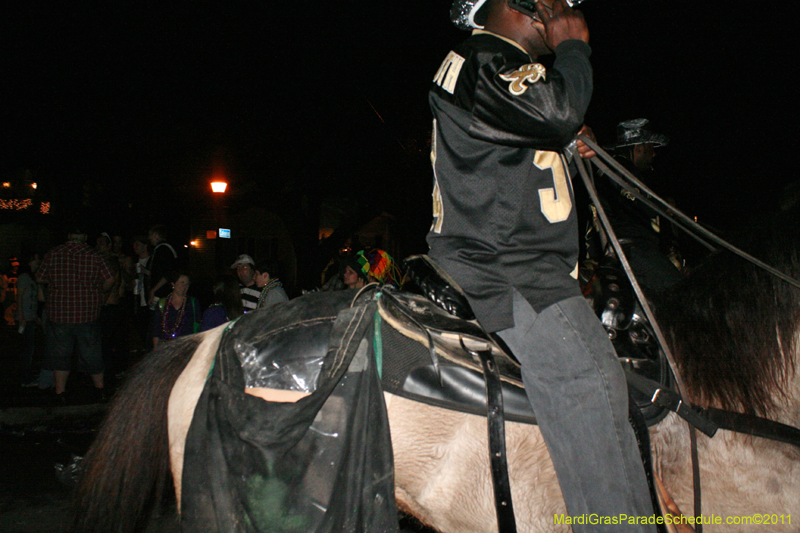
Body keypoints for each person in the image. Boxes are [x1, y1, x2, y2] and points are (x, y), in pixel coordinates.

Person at [428, 1, 655, 529]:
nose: (567, 10)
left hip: (511, 260)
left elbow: (534, 128)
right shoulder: (482, 56)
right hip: (508, 267)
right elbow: (555, 110)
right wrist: (575, 46)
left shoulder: (491, 64)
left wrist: (566, 144)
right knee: (588, 378)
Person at [589, 118, 683, 294]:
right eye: (651, 148)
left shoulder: (615, 168)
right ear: (639, 147)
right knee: (679, 292)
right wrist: (664, 205)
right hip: (632, 250)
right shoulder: (618, 169)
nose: (654, 154)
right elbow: (642, 203)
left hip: (629, 249)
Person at [36, 226, 115, 402]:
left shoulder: (53, 254)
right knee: (92, 353)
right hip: (88, 313)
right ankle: (100, 391)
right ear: (85, 237)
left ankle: (60, 393)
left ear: (69, 235)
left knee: (61, 355)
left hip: (60, 314)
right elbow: (110, 278)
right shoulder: (95, 256)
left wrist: (56, 282)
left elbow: (40, 277)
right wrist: (100, 292)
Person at [149, 271, 200, 349]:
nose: (184, 286)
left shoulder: (192, 303)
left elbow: (197, 327)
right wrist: (156, 350)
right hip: (166, 348)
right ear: (173, 284)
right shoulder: (162, 303)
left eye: (187, 284)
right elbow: (156, 329)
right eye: (182, 282)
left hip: (186, 348)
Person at [15, 253, 41, 386]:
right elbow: (19, 296)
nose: (38, 261)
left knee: (29, 348)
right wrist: (21, 315)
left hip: (30, 317)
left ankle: (26, 374)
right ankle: (24, 378)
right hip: (25, 317)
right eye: (35, 259)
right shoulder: (24, 278)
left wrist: (35, 316)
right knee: (26, 349)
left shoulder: (32, 278)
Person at [146, 224, 177, 306]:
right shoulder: (163, 249)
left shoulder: (163, 250)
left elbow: (168, 273)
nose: (149, 238)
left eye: (150, 235)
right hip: (162, 293)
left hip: (162, 294)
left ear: (155, 235)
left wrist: (153, 290)